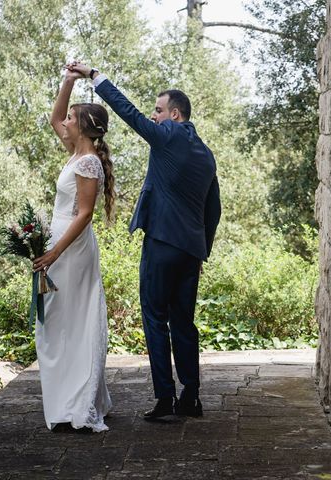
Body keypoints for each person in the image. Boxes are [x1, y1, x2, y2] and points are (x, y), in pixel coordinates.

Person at [67, 61, 221, 420]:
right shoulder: (206, 155)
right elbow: (213, 210)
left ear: (175, 115)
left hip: (163, 243)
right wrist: (202, 250)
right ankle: (191, 398)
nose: (153, 116)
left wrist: (94, 76)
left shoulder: (166, 136)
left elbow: (128, 113)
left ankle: (165, 400)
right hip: (190, 250)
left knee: (155, 317)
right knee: (184, 321)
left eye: (158, 110)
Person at [31, 66, 115, 432]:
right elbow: (53, 117)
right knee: (59, 321)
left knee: (72, 321)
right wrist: (68, 81)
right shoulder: (75, 152)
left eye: (71, 118)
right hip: (61, 242)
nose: (64, 121)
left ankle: (78, 402)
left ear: (82, 126)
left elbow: (85, 214)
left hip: (72, 248)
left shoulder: (88, 161)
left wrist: (54, 253)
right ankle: (70, 397)